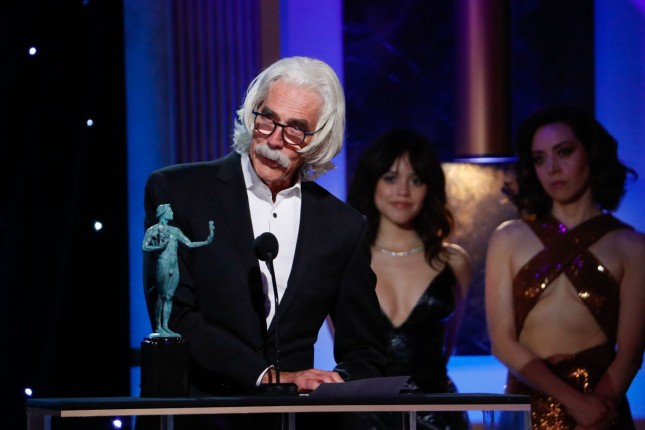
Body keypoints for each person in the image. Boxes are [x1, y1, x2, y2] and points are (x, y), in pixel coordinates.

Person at [142, 56, 388, 428]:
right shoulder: (177, 192)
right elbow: (174, 319)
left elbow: (366, 350)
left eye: (295, 130)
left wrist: (332, 388)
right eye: (267, 119)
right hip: (196, 419)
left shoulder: (342, 226)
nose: (273, 140)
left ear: (319, 139)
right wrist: (268, 377)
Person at [485, 105, 645, 429]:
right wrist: (573, 402)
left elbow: (630, 355)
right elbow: (502, 343)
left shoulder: (631, 246)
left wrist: (596, 412)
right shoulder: (508, 238)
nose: (552, 168)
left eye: (564, 152)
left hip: (602, 410)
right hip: (526, 410)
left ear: (592, 153)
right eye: (539, 158)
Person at [347, 129, 471, 430]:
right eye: (390, 178)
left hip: (438, 415)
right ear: (372, 182)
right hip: (362, 418)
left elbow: (448, 347)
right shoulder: (344, 261)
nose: (403, 190)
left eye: (416, 180)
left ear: (430, 188)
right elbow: (348, 349)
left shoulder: (454, 262)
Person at [142, 203, 214, 336]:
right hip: (163, 263)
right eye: (170, 211)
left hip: (174, 266)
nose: (172, 213)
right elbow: (144, 247)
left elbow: (189, 244)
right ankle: (158, 326)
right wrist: (159, 247)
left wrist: (206, 241)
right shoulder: (153, 229)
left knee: (170, 296)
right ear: (163, 213)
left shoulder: (175, 230)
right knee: (161, 296)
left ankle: (165, 326)